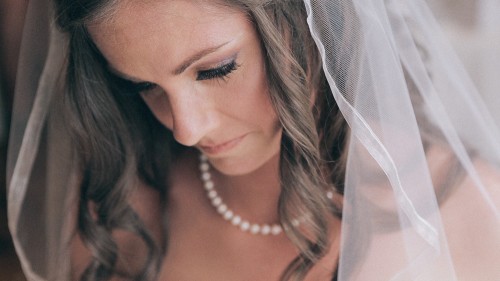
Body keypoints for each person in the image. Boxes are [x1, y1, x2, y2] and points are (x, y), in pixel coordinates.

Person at [7, 0, 500, 280]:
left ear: (308, 23)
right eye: (144, 87)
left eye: (216, 69)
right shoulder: (121, 212)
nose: (186, 128)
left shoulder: (471, 210)